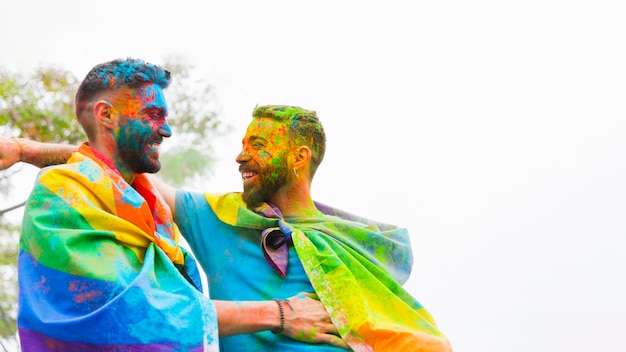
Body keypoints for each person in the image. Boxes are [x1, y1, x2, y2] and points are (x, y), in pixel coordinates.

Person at [2, 103, 453, 349]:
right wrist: (24, 150)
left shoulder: (353, 246)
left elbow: (403, 334)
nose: (239, 156)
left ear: (299, 158)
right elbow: (117, 172)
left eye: (256, 144)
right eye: (241, 144)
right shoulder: (218, 217)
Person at [1, 59, 346, 351]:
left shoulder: (152, 206)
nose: (165, 130)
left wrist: (27, 149)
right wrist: (279, 314)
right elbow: (128, 312)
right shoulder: (62, 194)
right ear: (106, 115)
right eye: (152, 114)